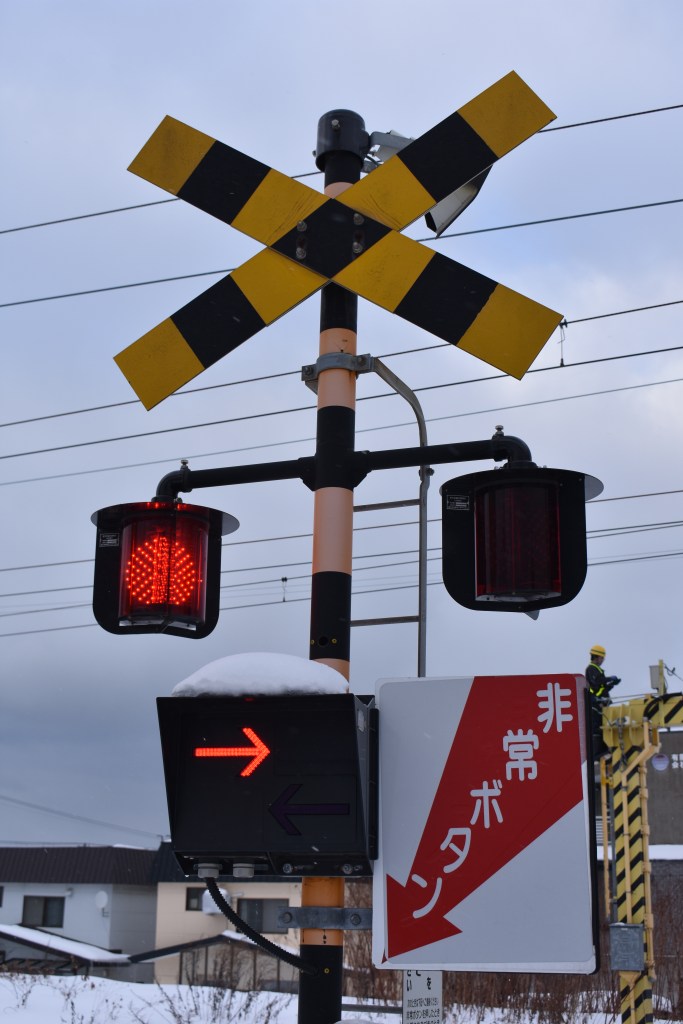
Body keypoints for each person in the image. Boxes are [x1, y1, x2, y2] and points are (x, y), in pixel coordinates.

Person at [585, 644, 621, 757]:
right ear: (597, 657)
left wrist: (611, 684)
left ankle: (605, 749)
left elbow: (601, 688)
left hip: (601, 703)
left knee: (604, 726)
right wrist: (609, 679)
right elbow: (597, 683)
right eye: (602, 658)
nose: (602, 660)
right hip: (596, 704)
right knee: (598, 728)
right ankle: (598, 751)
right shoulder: (592, 669)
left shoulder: (597, 670)